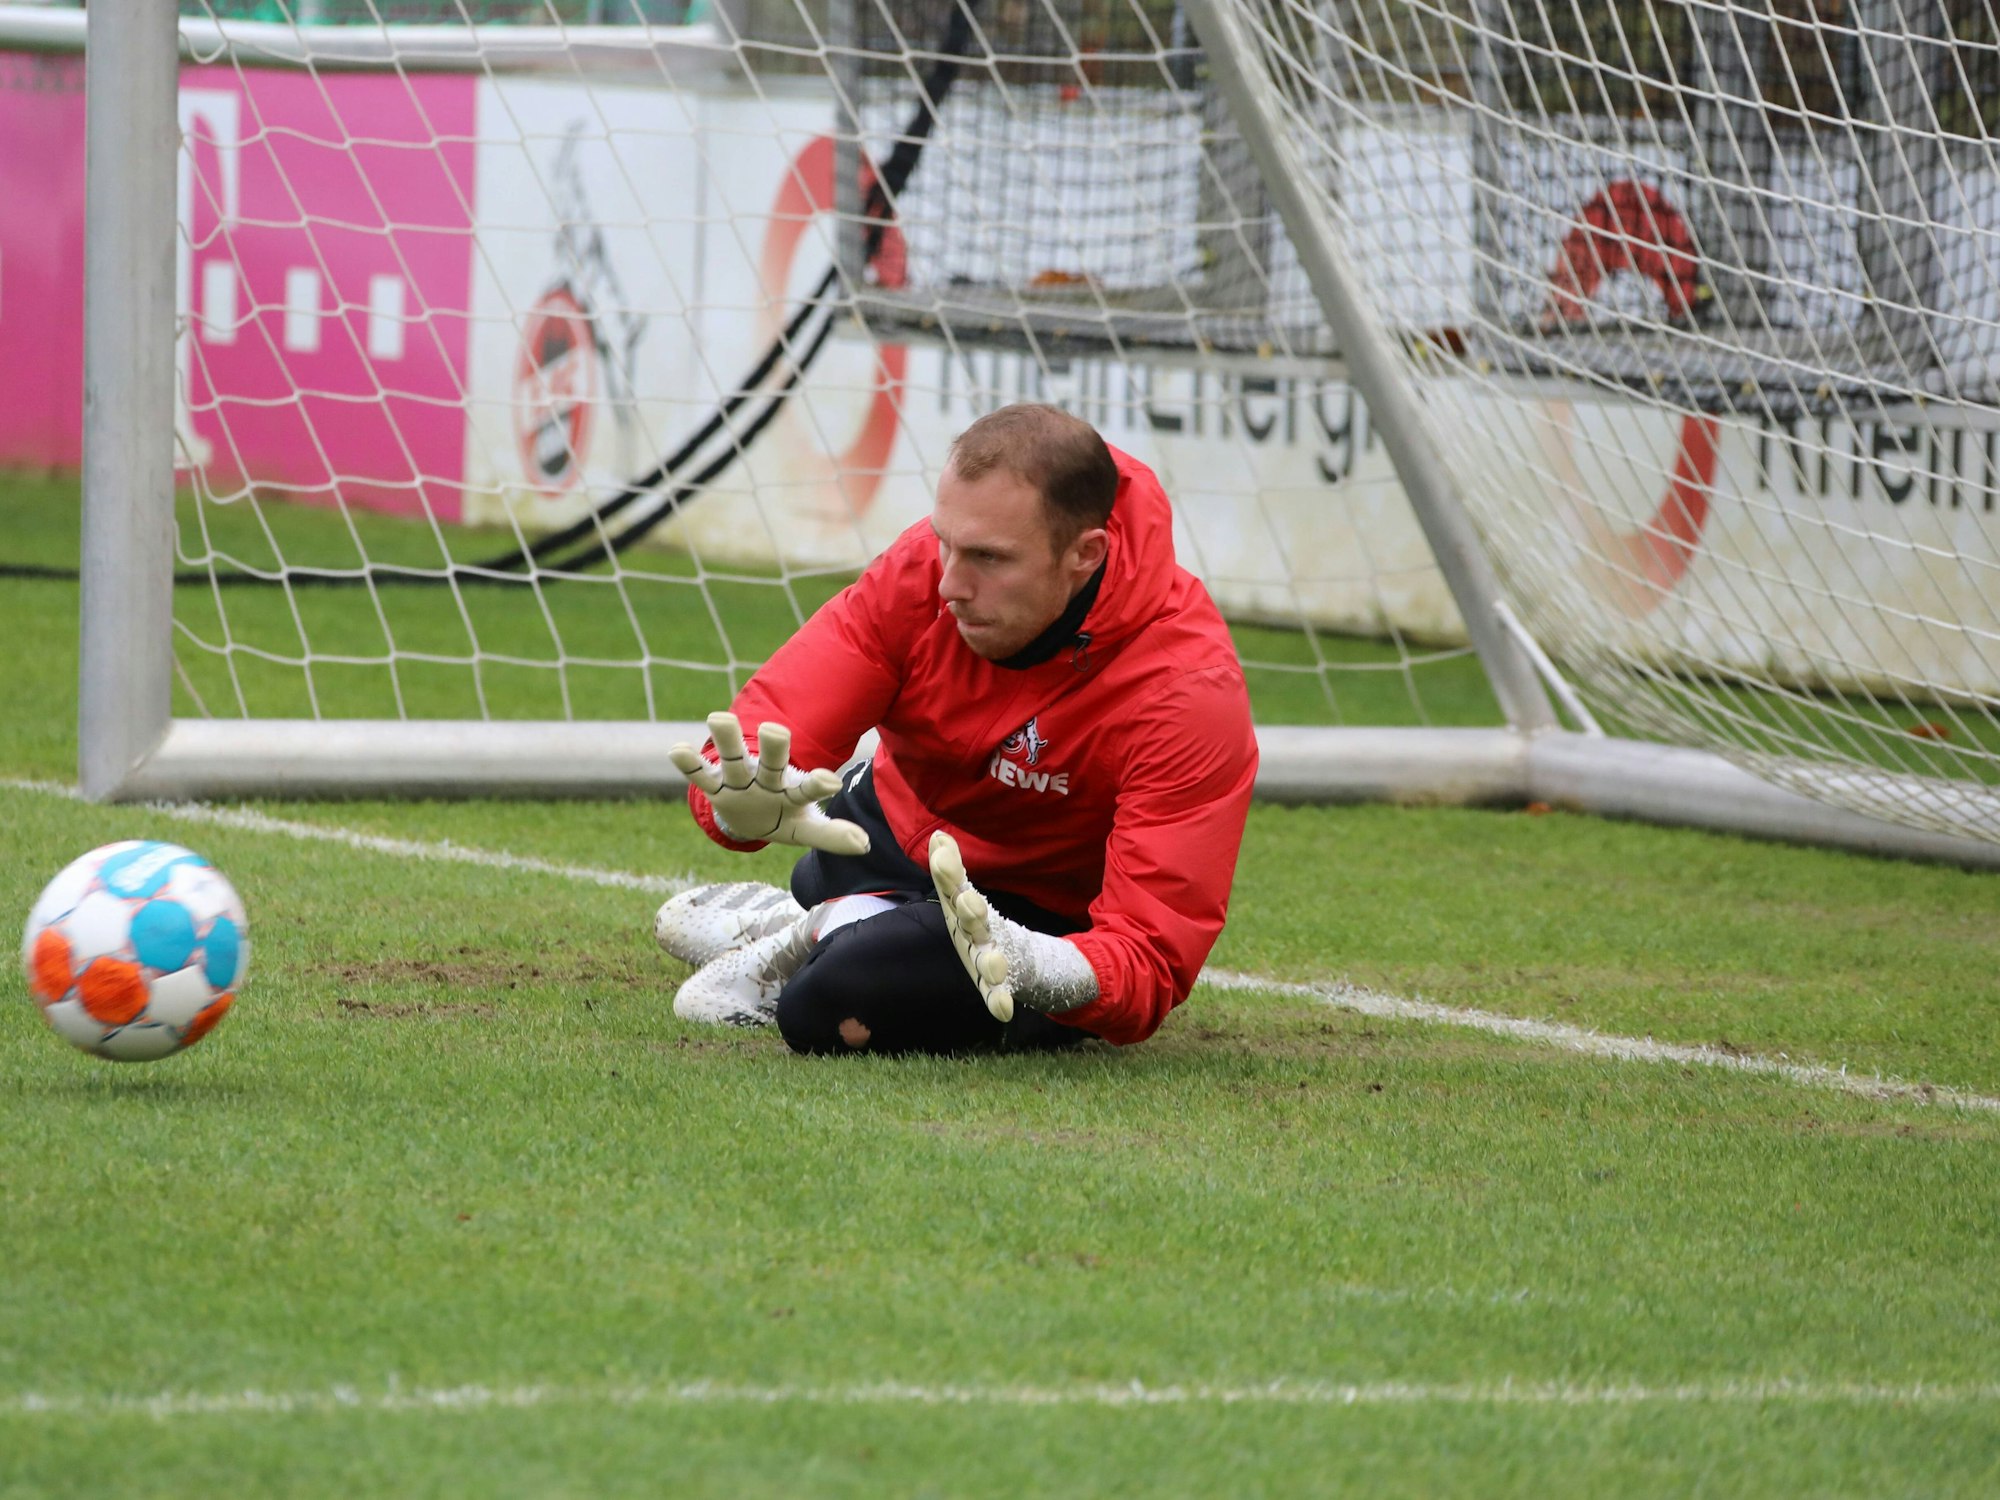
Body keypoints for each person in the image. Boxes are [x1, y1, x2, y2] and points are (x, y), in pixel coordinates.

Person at [655, 402, 1257, 1055]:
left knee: (826, 1006)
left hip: (1034, 918)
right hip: (893, 834)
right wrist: (734, 808)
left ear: (1085, 554)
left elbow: (1149, 959)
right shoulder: (924, 570)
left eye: (989, 558)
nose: (949, 583)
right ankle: (826, 915)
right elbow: (772, 726)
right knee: (827, 873)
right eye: (945, 540)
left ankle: (828, 929)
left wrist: (1034, 965)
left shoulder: (1188, 688)